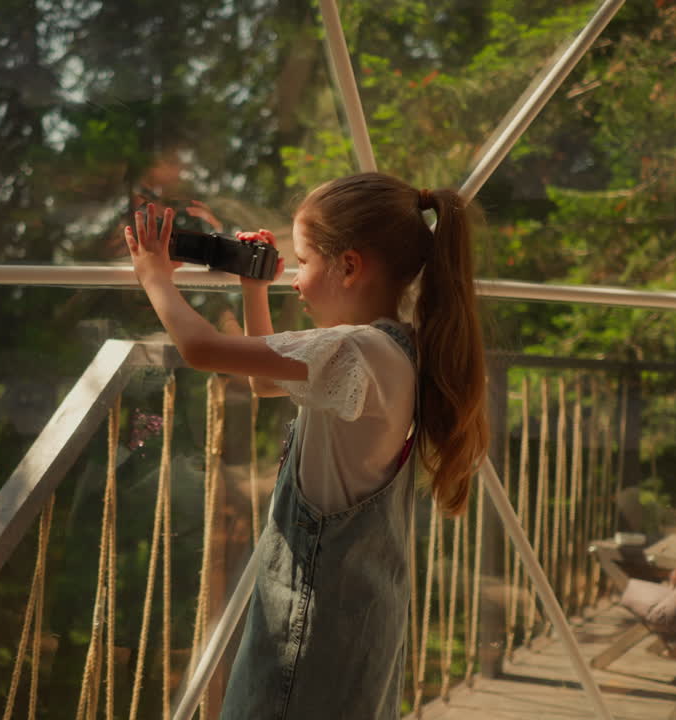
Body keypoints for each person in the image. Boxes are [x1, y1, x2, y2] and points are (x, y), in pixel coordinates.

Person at [122, 171, 489, 719]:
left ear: (349, 266)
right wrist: (254, 289)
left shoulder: (357, 350)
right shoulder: (390, 351)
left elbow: (201, 349)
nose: (294, 280)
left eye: (304, 261)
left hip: (311, 631)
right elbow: (264, 381)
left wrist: (154, 275)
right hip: (351, 624)